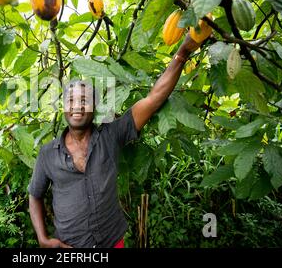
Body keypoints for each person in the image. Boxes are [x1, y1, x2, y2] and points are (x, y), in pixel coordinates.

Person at [27, 33, 200, 248]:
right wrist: (43, 239)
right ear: (64, 108)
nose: (77, 106)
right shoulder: (47, 153)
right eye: (71, 100)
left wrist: (182, 53)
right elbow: (35, 195)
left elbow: (154, 98)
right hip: (69, 246)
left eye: (84, 100)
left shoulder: (111, 135)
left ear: (95, 107)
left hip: (112, 241)